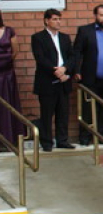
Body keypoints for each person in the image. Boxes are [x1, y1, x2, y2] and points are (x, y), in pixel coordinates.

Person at [73, 4, 103, 145]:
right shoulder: (85, 31)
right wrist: (76, 70)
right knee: (88, 109)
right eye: (101, 15)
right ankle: (85, 137)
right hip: (90, 78)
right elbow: (77, 52)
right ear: (95, 16)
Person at [31, 9, 76, 152]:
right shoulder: (38, 38)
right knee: (47, 113)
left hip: (63, 80)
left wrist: (65, 69)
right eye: (55, 19)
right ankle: (47, 142)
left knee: (63, 112)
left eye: (59, 19)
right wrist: (55, 70)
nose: (58, 22)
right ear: (46, 21)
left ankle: (62, 140)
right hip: (47, 81)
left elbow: (72, 56)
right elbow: (40, 58)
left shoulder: (64, 37)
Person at [0, 11, 24, 143]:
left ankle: (9, 137)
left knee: (8, 104)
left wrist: (6, 62)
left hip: (6, 73)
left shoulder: (9, 31)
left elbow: (15, 51)